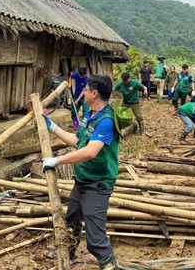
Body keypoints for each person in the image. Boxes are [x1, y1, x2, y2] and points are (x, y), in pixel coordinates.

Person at [41, 75, 119, 270]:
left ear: (94, 93)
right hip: (83, 180)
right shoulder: (89, 114)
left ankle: (110, 265)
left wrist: (56, 161)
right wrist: (52, 126)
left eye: (85, 90)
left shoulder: (107, 120)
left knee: (95, 239)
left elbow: (90, 152)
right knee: (72, 223)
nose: (82, 93)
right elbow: (78, 141)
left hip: (98, 184)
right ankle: (68, 255)